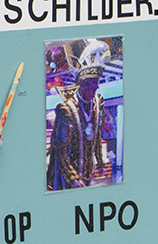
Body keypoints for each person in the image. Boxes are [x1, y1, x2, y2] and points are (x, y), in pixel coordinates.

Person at [47, 39, 111, 191]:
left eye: (97, 82)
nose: (96, 87)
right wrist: (73, 178)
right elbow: (61, 152)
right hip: (67, 178)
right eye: (92, 83)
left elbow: (97, 135)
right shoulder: (66, 110)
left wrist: (100, 161)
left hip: (87, 174)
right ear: (82, 84)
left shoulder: (97, 103)